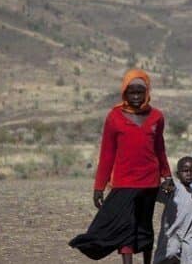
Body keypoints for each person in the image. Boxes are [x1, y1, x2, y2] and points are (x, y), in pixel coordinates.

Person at [69, 69, 175, 263]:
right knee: (124, 225)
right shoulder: (114, 117)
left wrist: (167, 175)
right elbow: (107, 154)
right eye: (131, 92)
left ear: (147, 93)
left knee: (144, 225)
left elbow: (160, 149)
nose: (135, 96)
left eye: (139, 92)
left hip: (149, 182)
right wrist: (99, 187)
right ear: (124, 93)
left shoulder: (156, 117)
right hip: (124, 182)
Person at [154, 156, 192, 264]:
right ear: (177, 174)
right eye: (185, 171)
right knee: (168, 254)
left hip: (190, 234)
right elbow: (156, 194)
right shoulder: (173, 188)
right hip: (172, 232)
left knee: (189, 259)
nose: (189, 174)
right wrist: (163, 186)